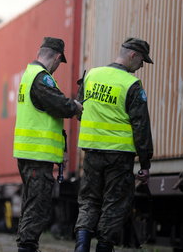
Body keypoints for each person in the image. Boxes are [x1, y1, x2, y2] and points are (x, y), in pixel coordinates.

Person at [74, 37, 154, 252]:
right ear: (132, 55)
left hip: (91, 151)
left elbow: (79, 111)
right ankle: (103, 247)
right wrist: (145, 163)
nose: (141, 66)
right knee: (114, 203)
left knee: (89, 200)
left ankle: (81, 246)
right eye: (142, 61)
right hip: (119, 155)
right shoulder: (131, 84)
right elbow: (141, 126)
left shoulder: (91, 75)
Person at [13, 37, 83, 252]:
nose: (56, 69)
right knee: (38, 206)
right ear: (57, 57)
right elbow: (59, 105)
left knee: (32, 204)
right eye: (58, 64)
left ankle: (27, 246)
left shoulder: (28, 74)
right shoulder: (42, 78)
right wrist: (76, 106)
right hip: (38, 156)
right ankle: (26, 247)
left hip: (29, 153)